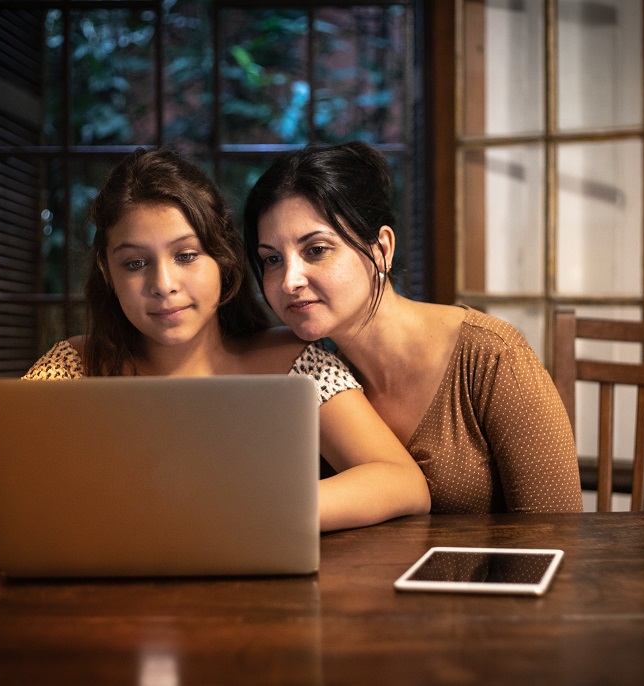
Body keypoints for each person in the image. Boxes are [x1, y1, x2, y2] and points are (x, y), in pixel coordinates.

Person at [0, 147, 430, 532]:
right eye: (135, 263)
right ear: (108, 273)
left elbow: (400, 481)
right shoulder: (78, 364)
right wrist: (106, 518)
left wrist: (257, 511)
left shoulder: (291, 362)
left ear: (225, 261)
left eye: (187, 256)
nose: (163, 284)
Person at [243, 141, 583, 514]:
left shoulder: (492, 357)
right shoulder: (312, 376)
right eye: (272, 259)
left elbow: (557, 534)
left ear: (382, 250)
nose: (289, 280)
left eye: (317, 250)